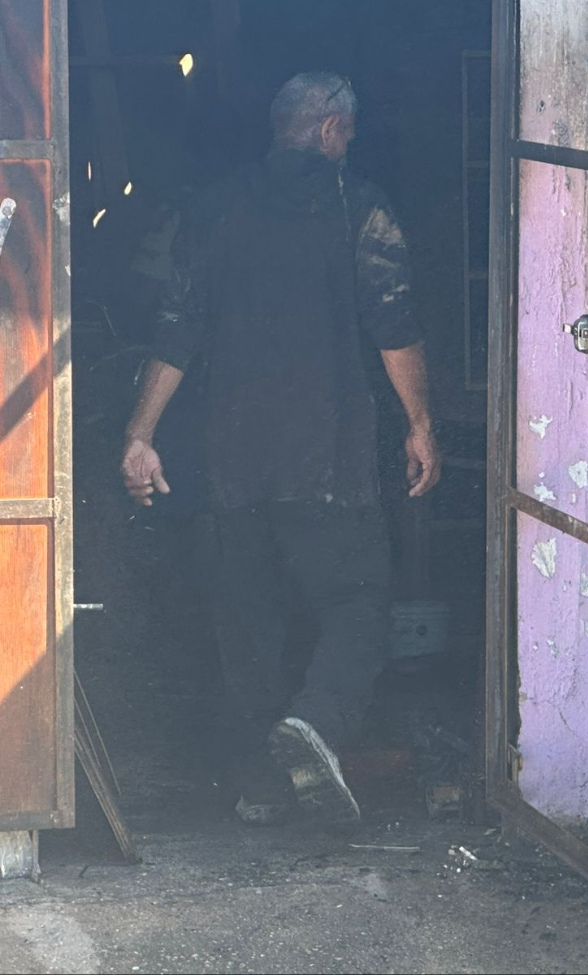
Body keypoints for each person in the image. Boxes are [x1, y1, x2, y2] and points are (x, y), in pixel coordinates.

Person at [120, 72, 441, 828]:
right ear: (329, 128)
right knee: (361, 601)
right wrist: (420, 421)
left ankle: (260, 782)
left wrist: (139, 434)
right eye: (348, 128)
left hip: (228, 459)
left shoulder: (213, 208)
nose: (353, 141)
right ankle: (318, 724)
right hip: (325, 454)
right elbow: (394, 324)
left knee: (245, 617)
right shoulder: (358, 206)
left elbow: (177, 329)